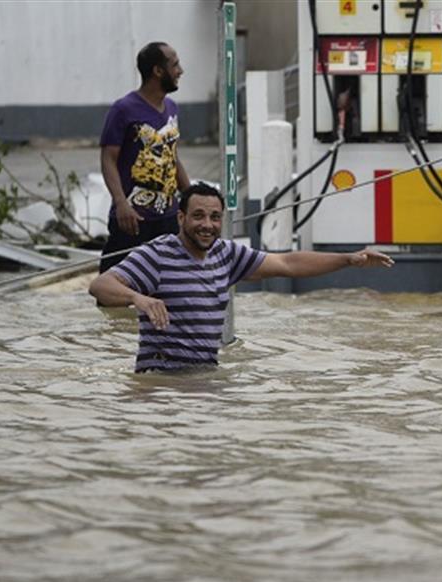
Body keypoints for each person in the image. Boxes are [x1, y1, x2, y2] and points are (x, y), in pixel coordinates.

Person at [88, 183, 395, 373]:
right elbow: (100, 286)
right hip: (161, 384)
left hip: (204, 377)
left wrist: (347, 260)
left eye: (215, 217)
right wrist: (137, 298)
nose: (206, 225)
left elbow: (287, 263)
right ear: (181, 218)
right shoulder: (158, 255)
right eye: (198, 216)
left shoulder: (225, 254)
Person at [98, 41, 192, 273]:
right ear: (158, 71)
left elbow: (173, 157)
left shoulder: (171, 108)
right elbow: (108, 158)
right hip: (133, 219)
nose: (180, 71)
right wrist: (120, 203)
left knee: (168, 288)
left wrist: (190, 197)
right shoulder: (123, 109)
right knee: (114, 290)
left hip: (168, 218)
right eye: (175, 65)